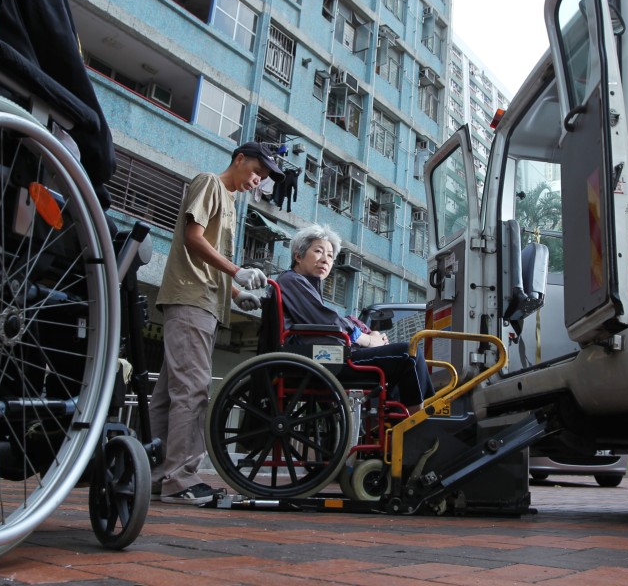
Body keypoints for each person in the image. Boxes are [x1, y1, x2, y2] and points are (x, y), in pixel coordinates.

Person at [149, 141, 284, 505]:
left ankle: (158, 475)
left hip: (202, 301)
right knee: (192, 390)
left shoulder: (231, 202)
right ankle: (181, 479)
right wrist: (237, 271)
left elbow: (209, 255)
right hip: (191, 299)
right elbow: (193, 239)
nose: (257, 181)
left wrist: (236, 294)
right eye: (256, 171)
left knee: (169, 394)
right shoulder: (210, 182)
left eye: (263, 178)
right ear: (239, 159)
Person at [275, 225, 434, 410]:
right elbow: (326, 321)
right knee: (409, 353)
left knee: (400, 365)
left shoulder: (302, 284)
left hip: (321, 356)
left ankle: (399, 417)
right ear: (298, 256)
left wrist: (369, 337)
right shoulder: (292, 280)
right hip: (319, 359)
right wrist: (368, 340)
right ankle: (417, 422)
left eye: (330, 256)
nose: (325, 259)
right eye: (318, 251)